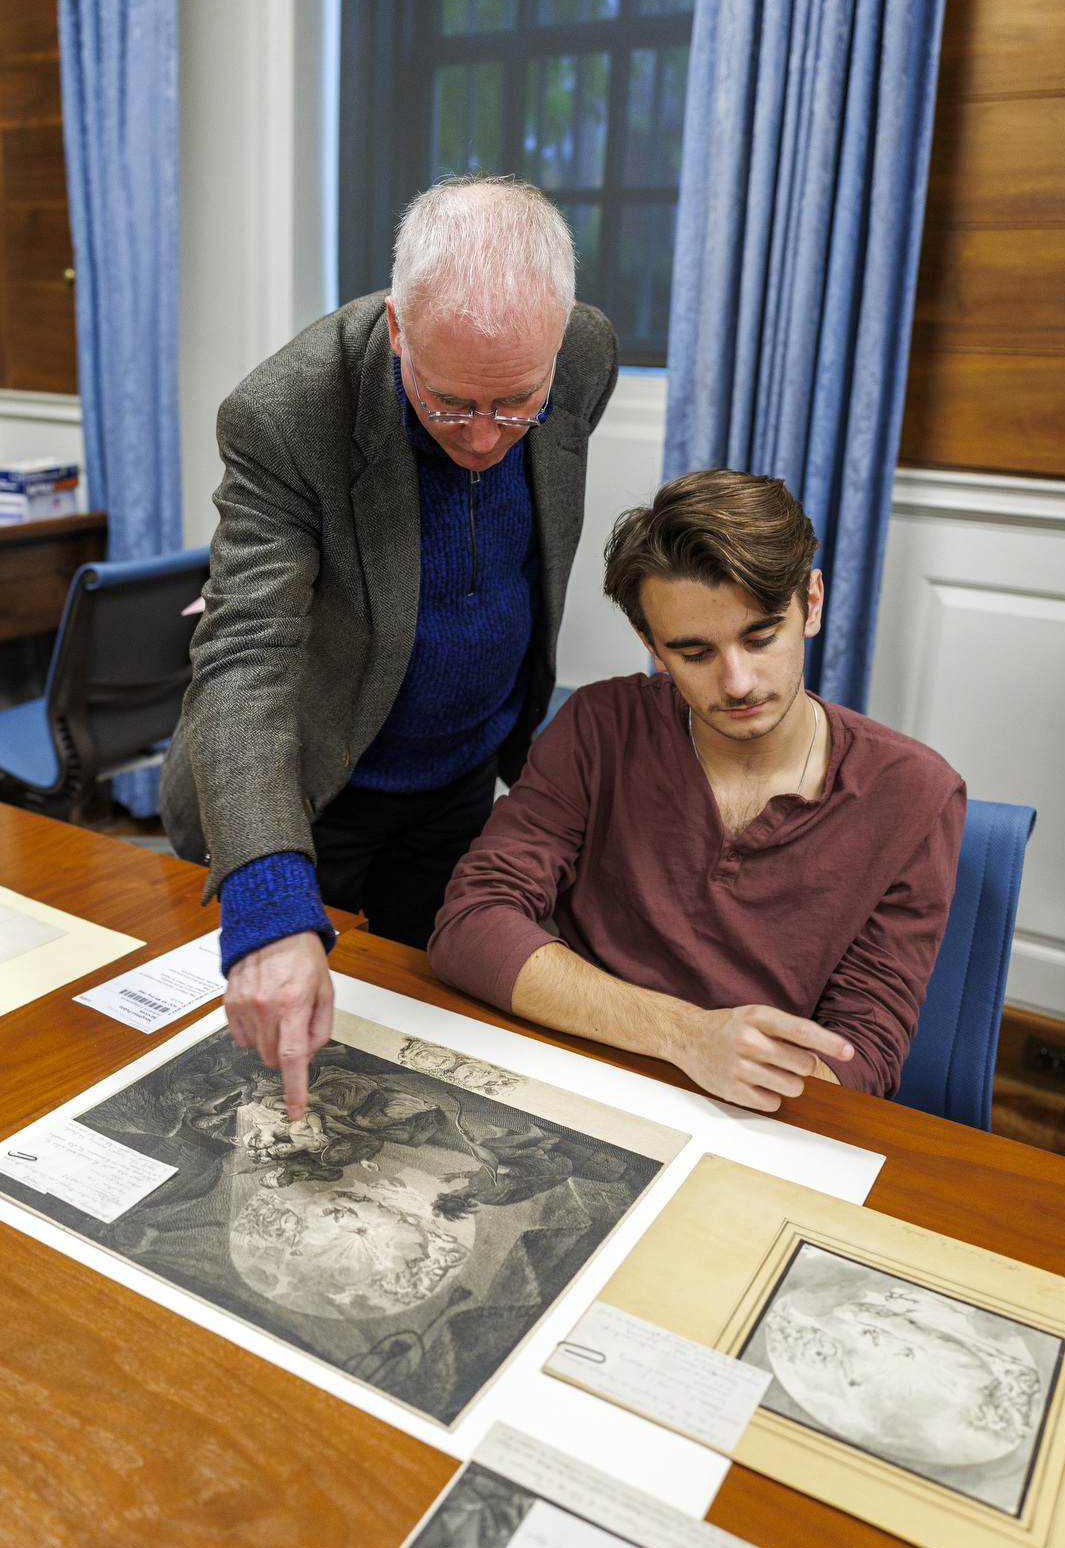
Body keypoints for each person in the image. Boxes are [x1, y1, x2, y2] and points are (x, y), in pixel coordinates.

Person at [163, 177, 619, 1117]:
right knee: (277, 1067)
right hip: (314, 789)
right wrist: (269, 907)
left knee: (430, 1052)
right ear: (399, 330)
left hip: (463, 772)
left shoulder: (583, 355)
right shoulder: (287, 413)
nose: (488, 439)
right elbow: (244, 653)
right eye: (451, 405)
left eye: (516, 401)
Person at [428, 470, 966, 1109]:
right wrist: (687, 1035)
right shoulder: (601, 727)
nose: (737, 683)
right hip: (570, 1069)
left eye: (761, 637)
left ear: (812, 604)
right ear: (650, 644)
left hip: (749, 1112)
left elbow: (862, 1061)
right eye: (694, 653)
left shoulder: (917, 795)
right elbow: (470, 924)